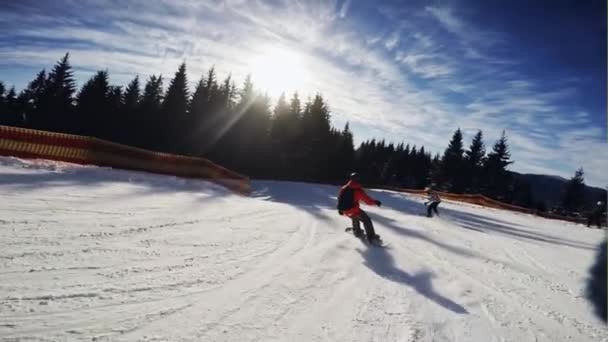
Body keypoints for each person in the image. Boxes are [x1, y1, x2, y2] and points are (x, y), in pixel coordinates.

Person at [338, 173, 382, 243]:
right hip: (353, 210)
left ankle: (357, 231)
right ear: (358, 180)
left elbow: (340, 198)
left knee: (354, 217)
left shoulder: (344, 188)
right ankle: (371, 237)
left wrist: (340, 209)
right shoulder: (358, 191)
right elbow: (368, 201)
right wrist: (375, 202)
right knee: (366, 220)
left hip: (345, 210)